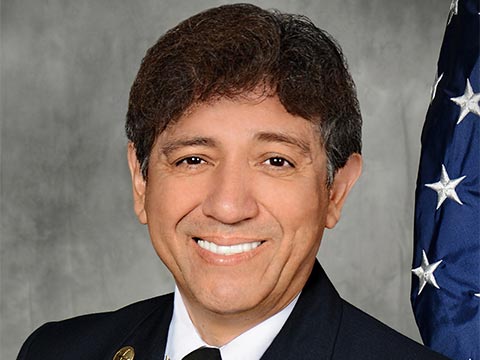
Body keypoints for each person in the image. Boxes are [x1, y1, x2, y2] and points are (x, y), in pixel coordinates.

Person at [17, 4, 449, 360]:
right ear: (141, 180)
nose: (228, 206)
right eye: (193, 159)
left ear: (335, 190)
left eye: (276, 161)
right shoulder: (55, 351)